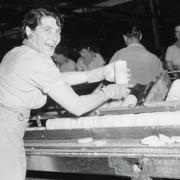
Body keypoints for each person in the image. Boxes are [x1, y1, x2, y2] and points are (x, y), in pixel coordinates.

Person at [0, 8, 131, 180]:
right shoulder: (35, 60)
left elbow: (56, 78)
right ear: (28, 31)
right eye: (47, 30)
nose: (55, 38)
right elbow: (77, 106)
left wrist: (98, 73)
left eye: (58, 31)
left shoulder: (19, 53)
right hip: (6, 131)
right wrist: (109, 91)